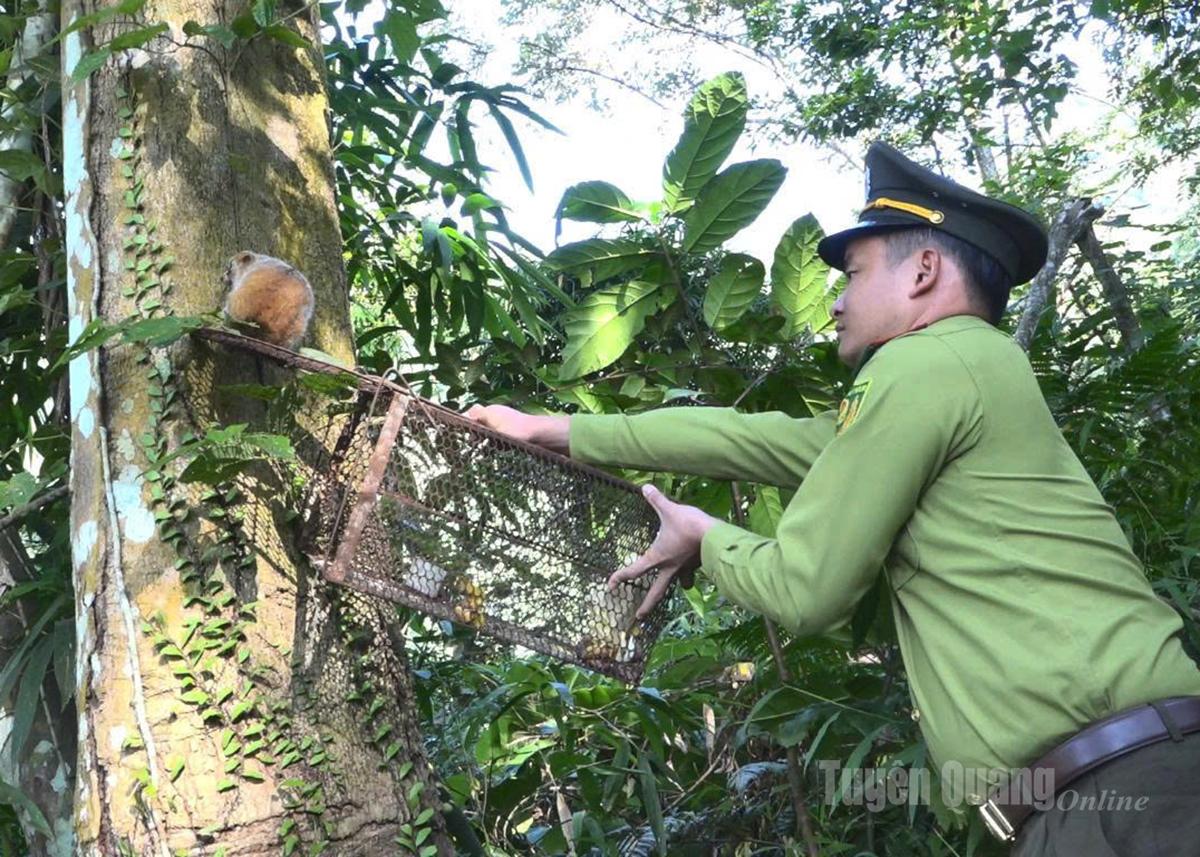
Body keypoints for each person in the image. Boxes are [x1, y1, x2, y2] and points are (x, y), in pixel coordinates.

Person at [466, 141, 1200, 854]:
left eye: (851, 275)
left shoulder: (923, 362)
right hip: (1123, 781)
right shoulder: (962, 372)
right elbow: (747, 438)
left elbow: (807, 587)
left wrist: (705, 537)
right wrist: (559, 429)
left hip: (1125, 799)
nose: (837, 303)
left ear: (923, 272)